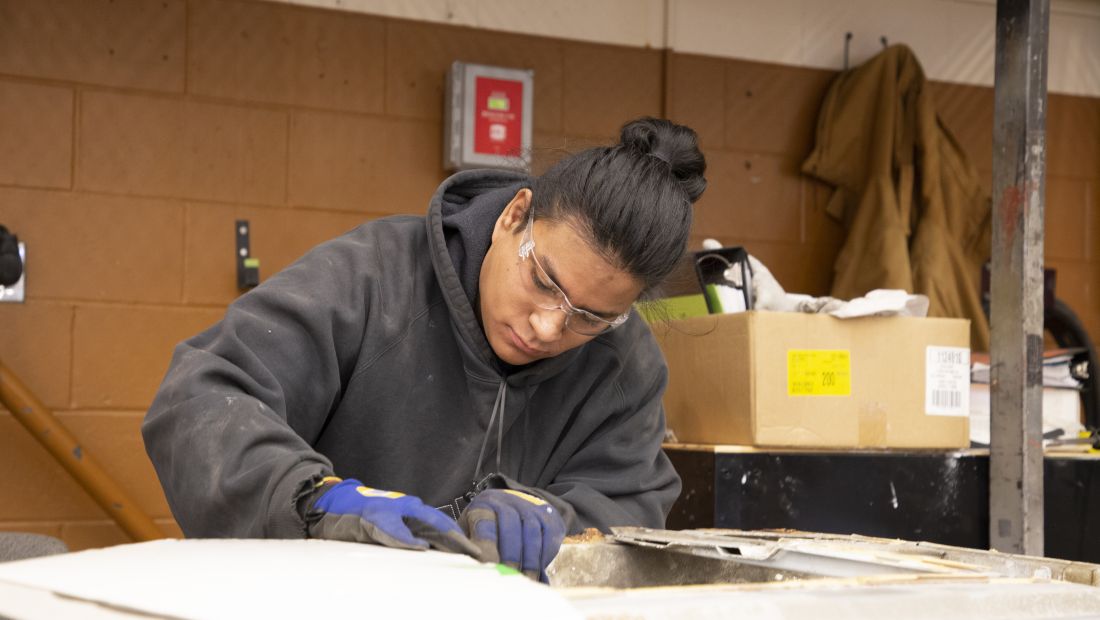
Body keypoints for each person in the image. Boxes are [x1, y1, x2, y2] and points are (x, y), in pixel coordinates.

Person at [142, 116, 707, 582]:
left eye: (589, 316)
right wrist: (313, 497)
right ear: (514, 216)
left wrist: (556, 519)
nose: (546, 326)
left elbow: (629, 502)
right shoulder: (370, 277)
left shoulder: (624, 364)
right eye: (542, 280)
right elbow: (201, 399)